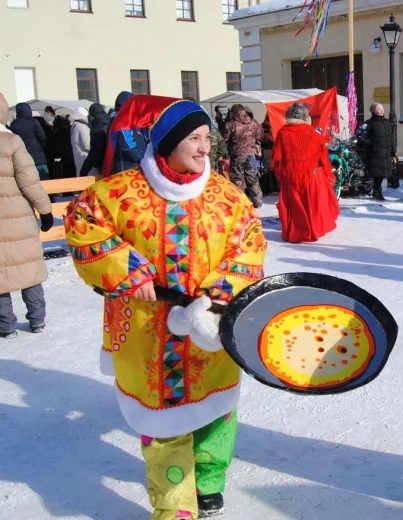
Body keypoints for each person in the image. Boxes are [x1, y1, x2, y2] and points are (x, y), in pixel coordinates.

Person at [64, 100, 267, 520]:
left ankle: (209, 483)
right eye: (193, 139)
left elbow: (249, 245)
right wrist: (127, 270)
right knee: (161, 424)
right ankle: (174, 506)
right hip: (145, 335)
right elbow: (82, 223)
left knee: (215, 410)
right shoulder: (117, 192)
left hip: (209, 330)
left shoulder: (228, 198)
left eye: (207, 138)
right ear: (169, 143)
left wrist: (218, 295)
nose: (203, 148)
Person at [0, 93, 53, 338]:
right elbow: (29, 181)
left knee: (1, 277)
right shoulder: (12, 142)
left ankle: (6, 325)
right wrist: (45, 210)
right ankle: (37, 319)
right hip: (19, 218)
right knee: (29, 270)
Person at [271, 103, 339, 243]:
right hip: (311, 176)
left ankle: (295, 232)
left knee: (296, 206)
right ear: (305, 117)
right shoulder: (313, 133)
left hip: (290, 177)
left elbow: (277, 157)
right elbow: (322, 151)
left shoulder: (282, 133)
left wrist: (282, 172)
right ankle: (314, 229)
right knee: (312, 205)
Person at [224, 103, 264, 207]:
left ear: (233, 112)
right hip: (251, 154)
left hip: (237, 154)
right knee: (252, 178)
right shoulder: (253, 122)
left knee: (237, 179)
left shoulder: (231, 124)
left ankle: (239, 202)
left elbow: (225, 138)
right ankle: (258, 201)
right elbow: (260, 135)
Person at [363, 102, 396, 201]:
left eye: (382, 109)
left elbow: (391, 138)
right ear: (373, 111)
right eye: (378, 110)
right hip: (375, 152)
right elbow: (362, 137)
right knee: (378, 173)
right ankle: (377, 191)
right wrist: (371, 143)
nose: (381, 111)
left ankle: (378, 190)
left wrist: (393, 151)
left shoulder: (387, 123)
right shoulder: (369, 123)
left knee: (384, 172)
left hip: (386, 152)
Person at [9, 102, 48, 180]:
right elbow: (42, 137)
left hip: (22, 159)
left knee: (28, 181)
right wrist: (40, 148)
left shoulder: (13, 125)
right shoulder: (34, 122)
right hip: (38, 158)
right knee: (44, 181)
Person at [79, 103, 111, 176]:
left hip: (104, 164)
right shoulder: (110, 120)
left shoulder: (98, 126)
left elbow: (96, 151)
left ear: (92, 114)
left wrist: (85, 169)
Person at [52, 114, 76, 179]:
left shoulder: (56, 132)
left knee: (64, 171)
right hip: (70, 154)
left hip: (61, 155)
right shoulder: (69, 129)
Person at [70, 106, 92, 175]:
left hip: (79, 161)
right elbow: (88, 145)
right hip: (86, 160)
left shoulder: (74, 126)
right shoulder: (82, 127)